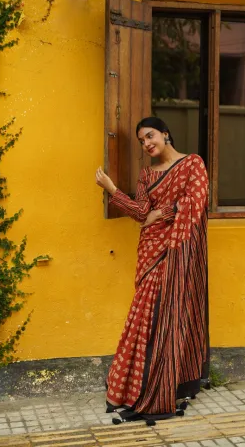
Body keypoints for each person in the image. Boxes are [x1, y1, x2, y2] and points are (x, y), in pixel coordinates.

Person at [95, 117, 209, 423]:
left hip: (176, 250)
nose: (147, 144)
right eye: (142, 141)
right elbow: (141, 214)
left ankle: (162, 386)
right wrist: (113, 189)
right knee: (144, 314)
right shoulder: (146, 174)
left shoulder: (193, 164)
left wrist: (164, 211)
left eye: (150, 136)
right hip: (150, 251)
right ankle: (130, 389)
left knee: (165, 314)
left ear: (165, 134)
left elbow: (196, 201)